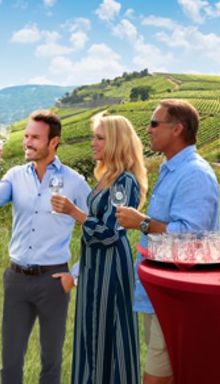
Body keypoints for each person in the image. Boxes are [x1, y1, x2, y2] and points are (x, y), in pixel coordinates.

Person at [0, 110, 90, 384]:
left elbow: (97, 231)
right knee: (10, 362)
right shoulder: (14, 176)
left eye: (35, 138)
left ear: (53, 142)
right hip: (16, 279)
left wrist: (74, 276)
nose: (27, 142)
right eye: (26, 136)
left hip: (54, 280)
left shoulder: (75, 182)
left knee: (51, 363)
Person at [116, 99, 220, 384]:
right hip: (160, 294)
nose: (147, 130)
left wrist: (141, 222)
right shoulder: (171, 169)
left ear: (177, 129)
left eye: (154, 123)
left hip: (177, 297)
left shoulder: (194, 174)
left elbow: (191, 237)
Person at [51, 114, 148, 384]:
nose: (92, 142)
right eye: (94, 136)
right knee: (90, 329)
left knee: (106, 332)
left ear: (116, 142)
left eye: (99, 138)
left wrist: (74, 212)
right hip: (95, 266)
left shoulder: (124, 182)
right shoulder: (106, 176)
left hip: (110, 268)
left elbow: (108, 232)